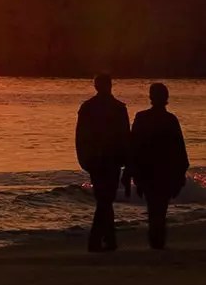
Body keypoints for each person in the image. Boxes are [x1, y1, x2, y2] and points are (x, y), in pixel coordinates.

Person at [75, 74, 131, 252]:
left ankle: (107, 238)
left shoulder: (89, 107)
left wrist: (83, 158)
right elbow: (125, 137)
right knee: (106, 199)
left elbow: (80, 136)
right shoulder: (117, 108)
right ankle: (100, 239)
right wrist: (126, 160)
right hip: (109, 159)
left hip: (97, 159)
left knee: (104, 198)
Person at [129, 83, 190, 250]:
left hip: (148, 172)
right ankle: (158, 242)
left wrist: (132, 172)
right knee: (160, 210)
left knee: (153, 209)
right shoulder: (170, 120)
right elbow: (180, 150)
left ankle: (155, 242)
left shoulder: (142, 118)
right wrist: (180, 175)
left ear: (151, 97)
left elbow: (133, 147)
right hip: (165, 172)